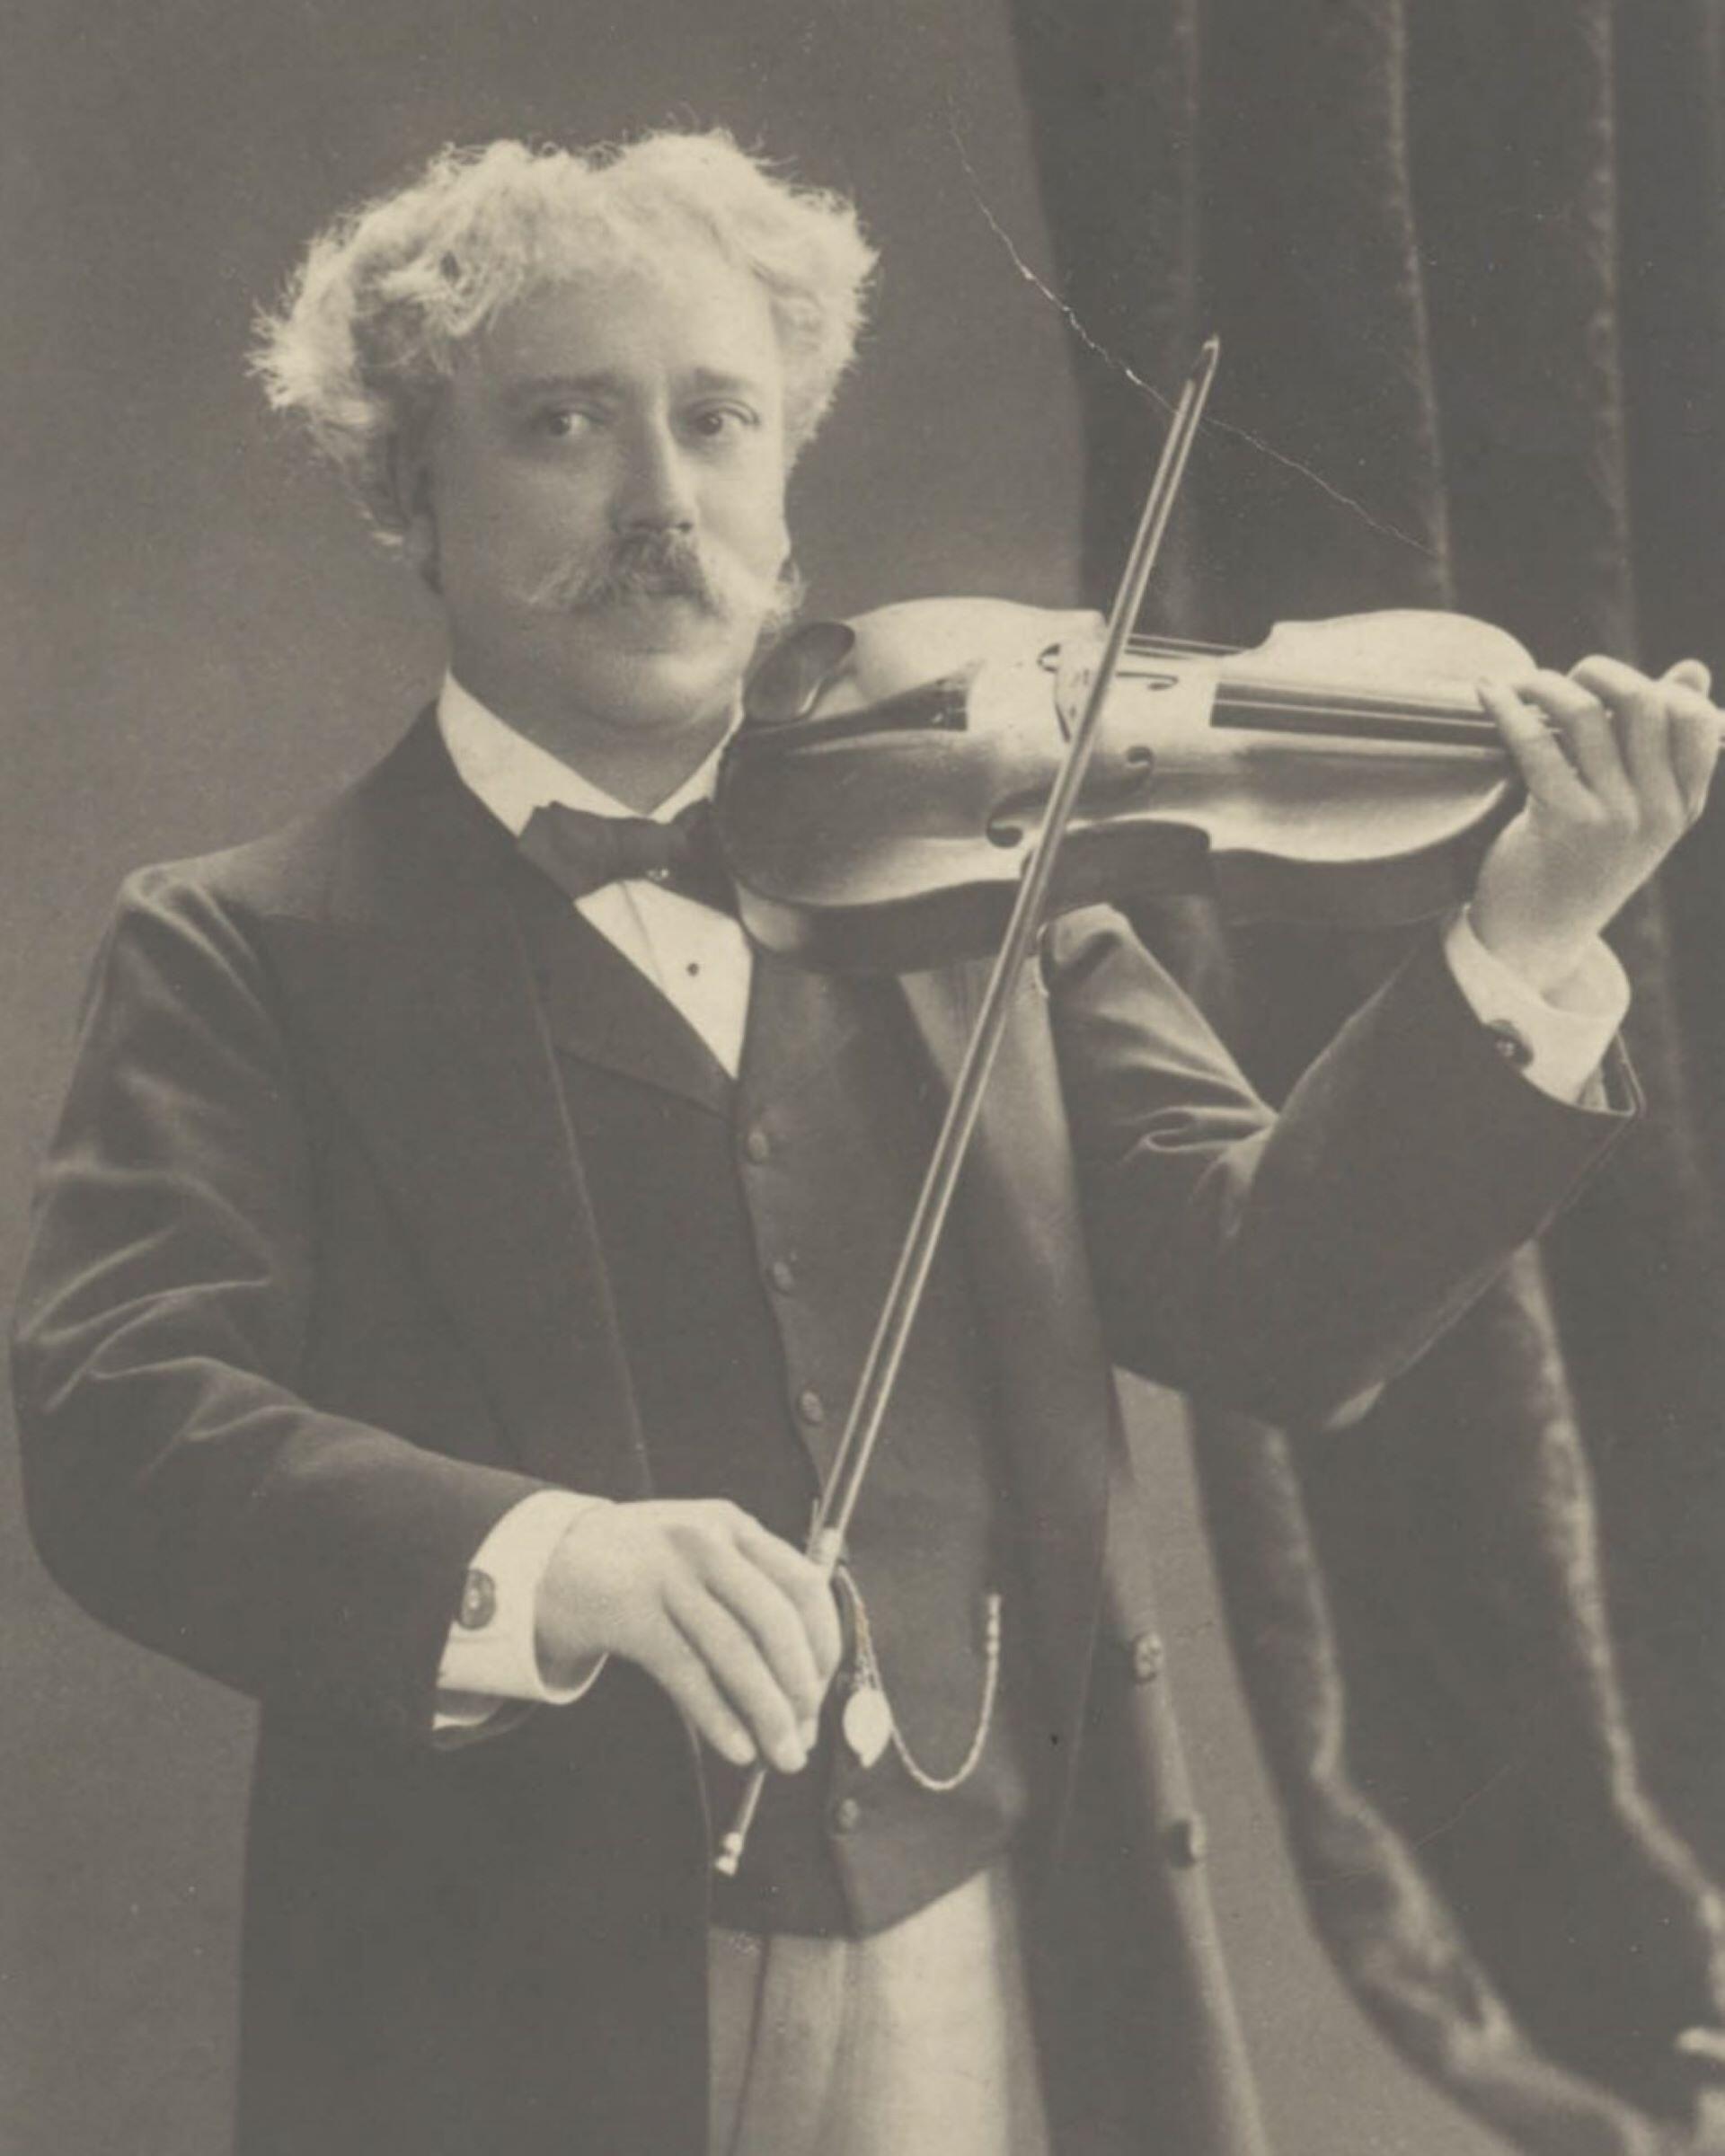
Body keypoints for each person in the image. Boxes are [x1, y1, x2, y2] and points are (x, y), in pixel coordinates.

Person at [13, 130, 1720, 2156]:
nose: (664, 502)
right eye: (565, 423)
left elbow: (1283, 1303)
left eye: (719, 423)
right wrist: (549, 1561)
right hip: (496, 2005)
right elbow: (121, 1421)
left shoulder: (991, 897)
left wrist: (1525, 933)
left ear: (787, 481)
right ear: (412, 492)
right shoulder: (244, 943)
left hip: (980, 1943)